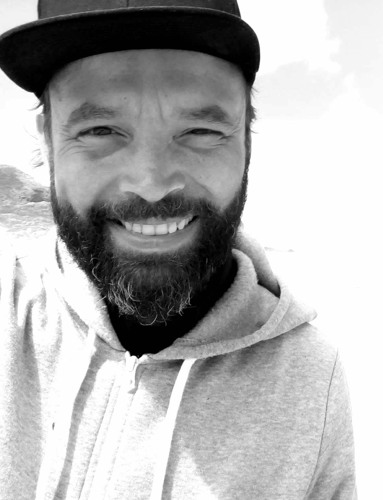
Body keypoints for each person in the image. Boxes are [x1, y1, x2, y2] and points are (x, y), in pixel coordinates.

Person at [0, 1, 357, 499]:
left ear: (247, 140)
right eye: (99, 130)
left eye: (201, 131)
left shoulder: (311, 377)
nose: (151, 183)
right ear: (47, 140)